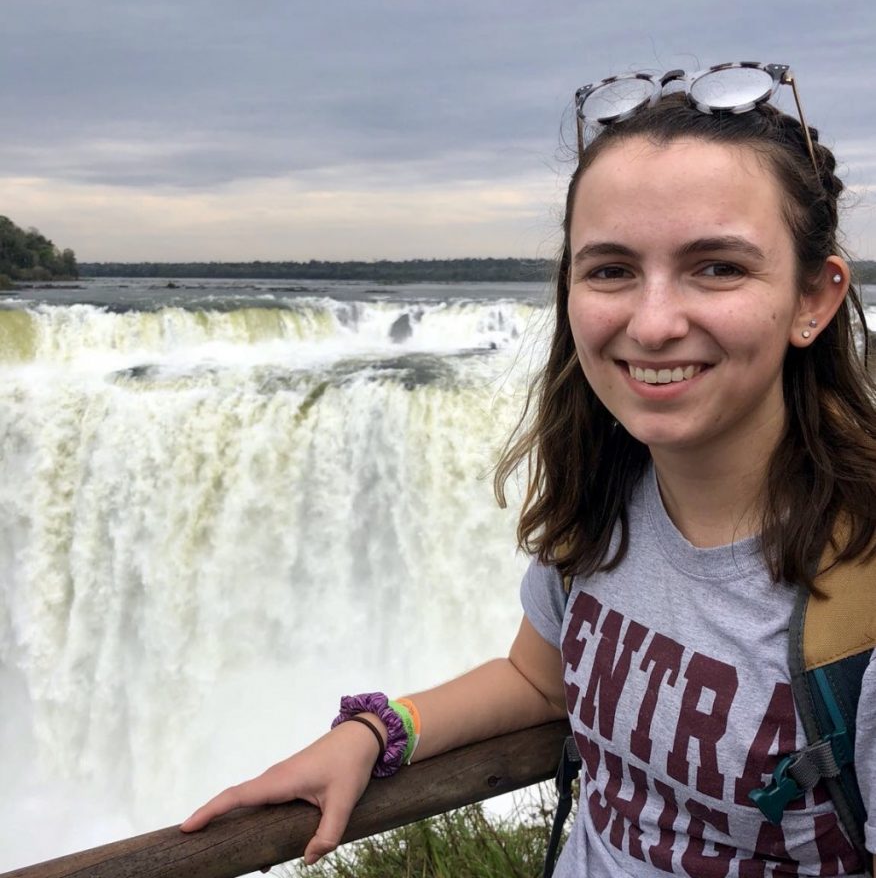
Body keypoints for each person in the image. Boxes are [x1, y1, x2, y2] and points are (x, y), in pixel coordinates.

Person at [181, 63, 876, 876]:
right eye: (611, 269)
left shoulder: (859, 592)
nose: (652, 323)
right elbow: (540, 681)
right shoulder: (606, 503)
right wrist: (375, 731)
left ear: (814, 299)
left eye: (717, 266)